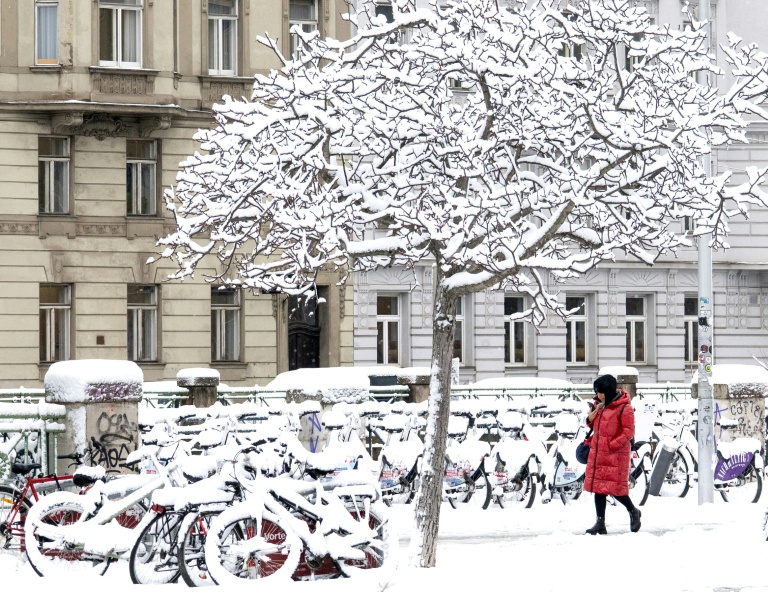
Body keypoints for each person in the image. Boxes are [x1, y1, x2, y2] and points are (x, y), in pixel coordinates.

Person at [583, 373, 642, 534]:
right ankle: (600, 523)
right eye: (597, 392)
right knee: (599, 488)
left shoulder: (624, 407)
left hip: (615, 454)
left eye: (601, 392)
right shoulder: (599, 405)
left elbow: (628, 432)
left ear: (608, 391)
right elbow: (594, 426)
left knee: (616, 490)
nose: (599, 395)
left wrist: (612, 445)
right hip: (599, 453)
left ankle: (633, 511)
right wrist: (590, 418)